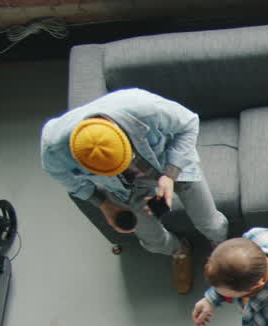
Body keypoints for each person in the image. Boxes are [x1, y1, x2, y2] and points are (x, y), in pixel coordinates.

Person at [40, 88, 228, 294]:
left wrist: (170, 174)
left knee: (211, 223)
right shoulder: (53, 149)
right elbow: (69, 181)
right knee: (152, 240)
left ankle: (220, 249)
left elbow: (189, 123)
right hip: (125, 187)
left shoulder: (146, 108)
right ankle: (180, 251)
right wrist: (103, 204)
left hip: (169, 164)